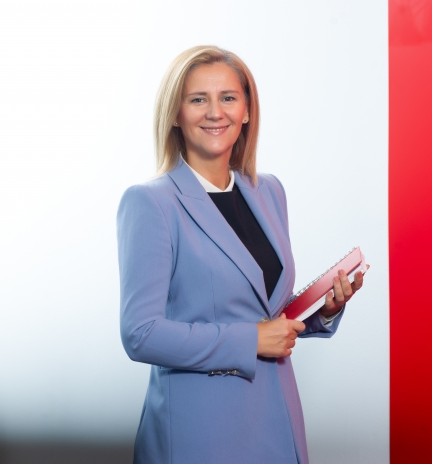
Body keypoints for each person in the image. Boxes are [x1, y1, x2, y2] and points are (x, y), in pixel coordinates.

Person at [116, 45, 367, 464]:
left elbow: (260, 308)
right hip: (202, 428)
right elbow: (141, 333)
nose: (215, 112)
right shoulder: (151, 202)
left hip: (276, 414)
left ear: (247, 111)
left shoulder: (268, 190)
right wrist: (250, 339)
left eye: (228, 98)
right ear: (176, 113)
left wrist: (322, 311)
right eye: (199, 99)